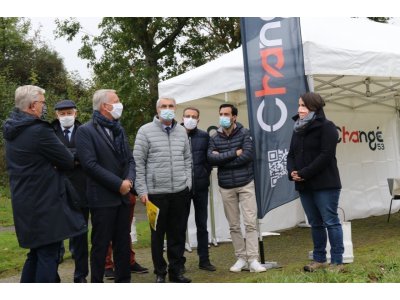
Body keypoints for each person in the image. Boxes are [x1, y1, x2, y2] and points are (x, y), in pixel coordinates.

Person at [2, 85, 87, 282]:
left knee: (36, 253)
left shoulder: (12, 130)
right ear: (32, 106)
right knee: (48, 255)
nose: (44, 107)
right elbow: (66, 160)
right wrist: (55, 162)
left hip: (24, 201)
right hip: (45, 203)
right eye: (42, 103)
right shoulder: (39, 130)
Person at [75, 89, 135, 283]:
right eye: (116, 101)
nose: (120, 105)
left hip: (123, 198)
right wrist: (119, 184)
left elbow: (130, 160)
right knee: (100, 245)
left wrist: (129, 181)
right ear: (104, 106)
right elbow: (90, 165)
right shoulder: (86, 131)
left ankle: (123, 281)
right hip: (102, 198)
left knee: (123, 244)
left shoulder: (119, 128)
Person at [133, 97, 192, 283]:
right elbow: (138, 163)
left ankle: (177, 271)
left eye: (171, 106)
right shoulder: (145, 131)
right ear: (157, 109)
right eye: (163, 106)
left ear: (175, 109)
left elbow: (187, 159)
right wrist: (142, 190)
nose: (167, 109)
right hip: (156, 194)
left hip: (180, 192)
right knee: (157, 235)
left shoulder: (182, 131)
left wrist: (187, 182)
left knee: (178, 234)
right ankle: (160, 271)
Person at [287, 92, 344, 272]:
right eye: (299, 105)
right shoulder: (298, 128)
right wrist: (292, 172)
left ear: (314, 107)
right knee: (315, 223)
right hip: (305, 185)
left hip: (325, 184)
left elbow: (326, 155)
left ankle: (337, 262)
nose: (299, 109)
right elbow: (291, 154)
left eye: (303, 105)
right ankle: (319, 259)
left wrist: (304, 173)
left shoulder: (327, 127)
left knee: (331, 221)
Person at [207, 103, 266, 273]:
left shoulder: (244, 133)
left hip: (246, 184)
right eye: (221, 114)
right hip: (226, 187)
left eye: (227, 114)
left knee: (250, 223)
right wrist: (234, 153)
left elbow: (247, 156)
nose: (223, 117)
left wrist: (223, 160)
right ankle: (241, 257)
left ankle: (253, 259)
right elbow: (211, 159)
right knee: (234, 225)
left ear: (234, 117)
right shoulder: (214, 137)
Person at [51, 99, 89, 283]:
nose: (66, 116)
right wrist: (72, 158)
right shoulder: (50, 131)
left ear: (76, 113)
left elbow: (86, 155)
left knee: (80, 235)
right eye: (62, 113)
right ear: (56, 115)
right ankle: (53, 275)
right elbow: (49, 155)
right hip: (56, 190)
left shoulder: (85, 131)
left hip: (81, 189)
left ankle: (80, 276)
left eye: (69, 112)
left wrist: (64, 158)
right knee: (55, 234)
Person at [180, 107, 216, 271]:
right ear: (182, 117)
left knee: (202, 224)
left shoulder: (204, 136)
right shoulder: (175, 135)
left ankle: (204, 260)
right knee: (179, 225)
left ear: (198, 119)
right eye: (187, 116)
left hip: (201, 187)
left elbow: (209, 159)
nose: (190, 119)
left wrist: (203, 173)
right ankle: (178, 261)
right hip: (181, 188)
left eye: (194, 116)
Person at [104, 192, 149, 279]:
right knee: (107, 231)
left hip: (128, 195)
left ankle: (129, 262)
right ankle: (107, 265)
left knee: (125, 231)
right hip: (108, 195)